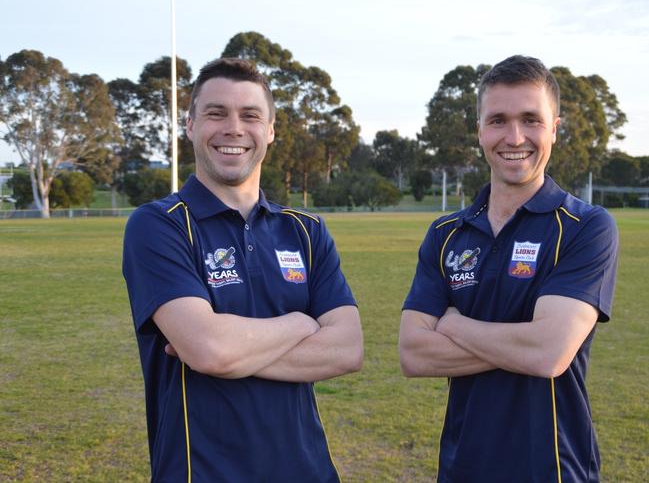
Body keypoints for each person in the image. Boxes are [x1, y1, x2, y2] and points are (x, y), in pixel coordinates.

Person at [122, 58, 363, 482]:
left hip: (309, 471)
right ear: (191, 125)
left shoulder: (306, 231)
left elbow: (347, 349)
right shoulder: (159, 224)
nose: (234, 128)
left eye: (250, 115)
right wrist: (300, 323)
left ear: (270, 130)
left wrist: (227, 349)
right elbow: (209, 350)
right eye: (216, 113)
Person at [399, 55, 618, 482]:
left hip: (553, 467)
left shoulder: (585, 227)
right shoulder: (446, 234)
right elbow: (413, 353)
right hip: (462, 467)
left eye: (531, 120)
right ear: (479, 129)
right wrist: (519, 341)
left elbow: (547, 353)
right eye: (498, 120)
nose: (514, 136)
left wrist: (454, 326)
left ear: (554, 128)